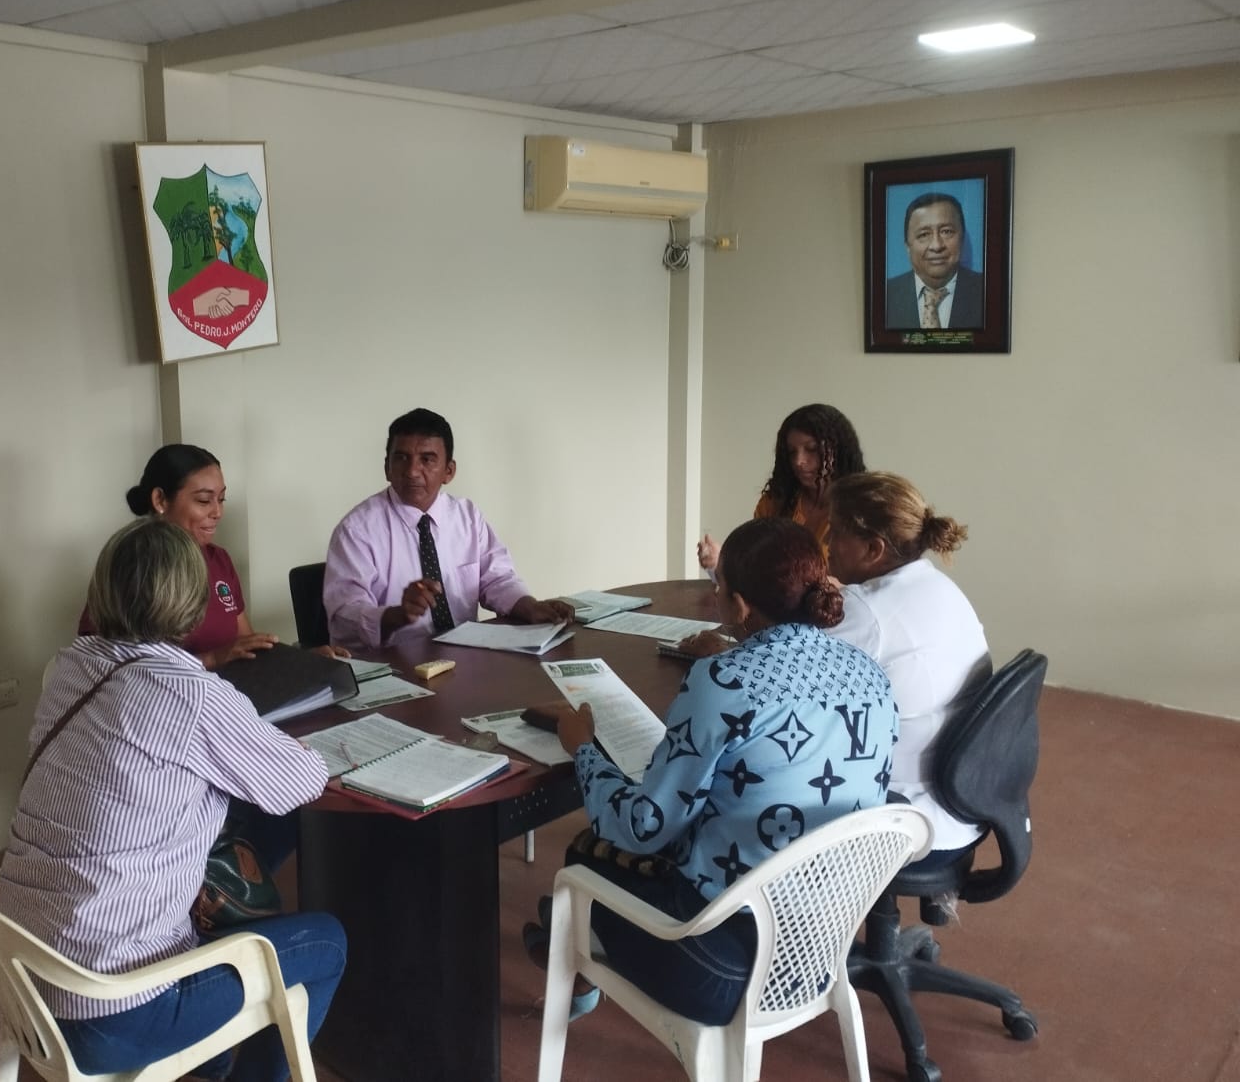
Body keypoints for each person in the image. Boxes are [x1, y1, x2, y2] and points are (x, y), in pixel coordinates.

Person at [0, 519, 345, 1081]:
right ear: (193, 603)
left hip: (26, 979)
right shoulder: (189, 694)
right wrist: (287, 744)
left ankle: (209, 1060)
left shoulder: (71, 666)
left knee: (223, 839)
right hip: (114, 1012)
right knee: (327, 943)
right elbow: (300, 782)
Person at [524, 518, 898, 1024]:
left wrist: (583, 749)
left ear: (739, 605)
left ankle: (573, 946)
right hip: (820, 949)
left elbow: (644, 826)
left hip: (720, 970)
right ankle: (570, 938)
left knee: (586, 853)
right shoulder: (870, 673)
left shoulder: (722, 680)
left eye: (718, 587)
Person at [823, 471, 991, 858]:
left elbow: (780, 677)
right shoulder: (940, 586)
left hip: (906, 815)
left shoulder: (865, 612)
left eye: (836, 532)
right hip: (963, 800)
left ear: (873, 549)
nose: (827, 543)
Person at [323, 407, 574, 652]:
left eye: (427, 460)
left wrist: (531, 607)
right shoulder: (356, 530)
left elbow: (497, 579)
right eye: (401, 458)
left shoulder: (467, 517)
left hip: (465, 657)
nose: (412, 472)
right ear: (387, 468)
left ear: (449, 471)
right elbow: (344, 615)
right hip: (394, 663)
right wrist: (397, 615)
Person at [80, 444, 347, 668]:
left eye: (221, 499)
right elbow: (115, 670)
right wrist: (211, 659)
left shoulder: (218, 560)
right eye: (204, 501)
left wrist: (302, 662)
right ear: (160, 500)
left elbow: (248, 646)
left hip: (234, 696)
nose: (217, 512)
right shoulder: (129, 567)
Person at [696, 403, 865, 573]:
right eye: (792, 452)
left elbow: (868, 581)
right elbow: (754, 568)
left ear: (839, 450)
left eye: (812, 449)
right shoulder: (775, 502)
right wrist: (720, 563)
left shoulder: (862, 508)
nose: (799, 461)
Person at [883, 191, 986, 330]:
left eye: (946, 231)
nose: (936, 246)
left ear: (961, 239)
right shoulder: (884, 295)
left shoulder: (987, 291)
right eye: (924, 234)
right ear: (907, 246)